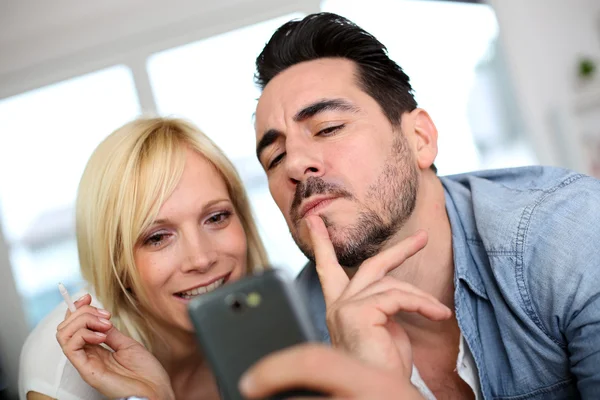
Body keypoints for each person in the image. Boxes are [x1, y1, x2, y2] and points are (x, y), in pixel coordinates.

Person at [252, 11, 600, 399]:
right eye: (275, 157)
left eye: (328, 128)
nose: (296, 165)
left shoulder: (569, 233)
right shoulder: (293, 345)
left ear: (420, 138)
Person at [18, 117, 269, 400]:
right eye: (158, 237)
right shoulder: (63, 372)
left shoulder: (275, 317)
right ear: (117, 264)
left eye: (216, 217)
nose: (201, 259)